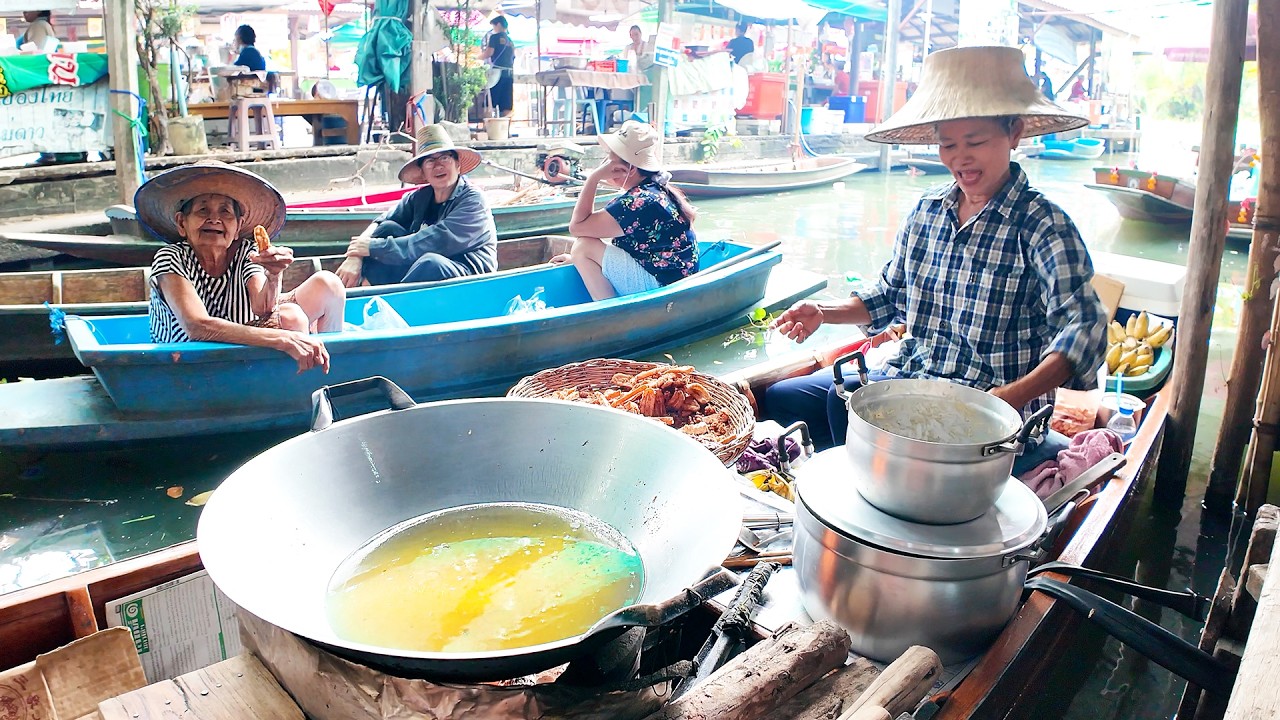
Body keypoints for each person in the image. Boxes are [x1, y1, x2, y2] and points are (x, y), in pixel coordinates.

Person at [765, 46, 1107, 474]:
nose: (959, 158)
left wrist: (1011, 397)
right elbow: (889, 296)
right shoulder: (927, 212)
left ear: (1014, 133)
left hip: (989, 411)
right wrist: (822, 312)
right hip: (909, 379)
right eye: (948, 144)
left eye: (975, 142)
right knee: (784, 398)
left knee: (850, 419)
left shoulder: (1043, 225)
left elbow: (1085, 329)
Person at [139, 161, 346, 373]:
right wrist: (283, 339)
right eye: (203, 210)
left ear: (238, 226)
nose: (214, 219)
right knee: (291, 319)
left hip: (238, 343)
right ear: (182, 223)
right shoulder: (171, 257)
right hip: (185, 360)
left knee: (328, 284)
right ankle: (293, 382)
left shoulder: (246, 251)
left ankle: (329, 372)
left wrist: (273, 274)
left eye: (225, 212)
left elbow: (263, 308)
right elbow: (197, 327)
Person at [553, 120, 699, 300]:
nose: (605, 163)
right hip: (672, 279)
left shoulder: (638, 201)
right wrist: (578, 260)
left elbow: (577, 227)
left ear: (626, 169)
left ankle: (610, 313)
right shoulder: (653, 190)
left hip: (663, 288)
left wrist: (594, 178)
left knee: (583, 246)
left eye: (609, 159)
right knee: (582, 251)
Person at [337, 125, 497, 287]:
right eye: (430, 161)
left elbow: (434, 242)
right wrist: (355, 256)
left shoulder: (474, 201)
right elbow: (380, 223)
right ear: (423, 173)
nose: (438, 165)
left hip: (470, 275)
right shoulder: (419, 198)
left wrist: (372, 247)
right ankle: (366, 287)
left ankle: (389, 302)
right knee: (388, 229)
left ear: (458, 165)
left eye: (445, 158)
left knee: (431, 263)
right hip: (423, 268)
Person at [481, 16, 515, 117]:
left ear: (498, 25)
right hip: (509, 74)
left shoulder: (494, 37)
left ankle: (489, 128)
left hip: (497, 74)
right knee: (506, 105)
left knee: (490, 102)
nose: (493, 30)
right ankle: (505, 130)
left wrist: (476, 58)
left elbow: (489, 53)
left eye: (493, 27)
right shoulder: (510, 41)